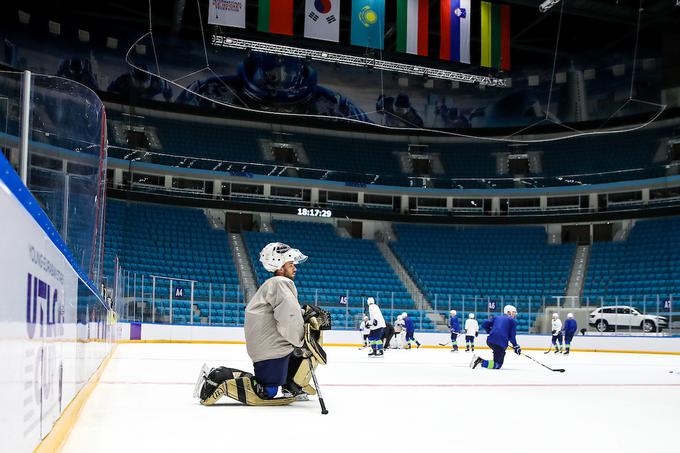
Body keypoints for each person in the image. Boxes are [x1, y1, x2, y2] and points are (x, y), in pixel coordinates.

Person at [193, 242, 330, 406]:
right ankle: (217, 378)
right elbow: (289, 319)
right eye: (291, 264)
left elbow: (287, 314)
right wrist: (303, 340)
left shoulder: (273, 285)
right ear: (280, 267)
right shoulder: (280, 283)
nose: (295, 268)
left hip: (268, 347)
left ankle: (291, 385)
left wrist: (303, 315)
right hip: (271, 350)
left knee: (300, 351)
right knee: (266, 391)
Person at [470, 305, 521, 370]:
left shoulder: (497, 317)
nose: (515, 314)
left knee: (496, 360)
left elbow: (484, 324)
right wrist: (515, 346)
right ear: (508, 312)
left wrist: (490, 331)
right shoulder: (512, 321)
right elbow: (512, 336)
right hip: (500, 343)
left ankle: (483, 362)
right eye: (514, 312)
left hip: (490, 341)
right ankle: (480, 361)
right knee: (498, 364)